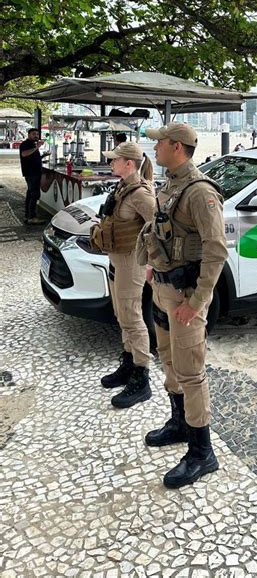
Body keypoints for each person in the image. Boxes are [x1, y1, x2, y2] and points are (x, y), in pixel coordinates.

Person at [136, 122, 227, 489]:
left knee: (191, 372)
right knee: (170, 361)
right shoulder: (170, 183)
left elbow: (216, 250)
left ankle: (202, 452)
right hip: (163, 289)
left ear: (176, 146)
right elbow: (160, 230)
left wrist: (198, 301)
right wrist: (150, 266)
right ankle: (179, 422)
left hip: (185, 296)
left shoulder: (199, 192)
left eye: (159, 143)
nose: (154, 148)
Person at [92, 142, 157, 408]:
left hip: (132, 261)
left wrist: (153, 262)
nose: (111, 163)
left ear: (129, 163)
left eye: (114, 160)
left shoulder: (140, 193)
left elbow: (159, 226)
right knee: (122, 315)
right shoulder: (123, 186)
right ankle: (128, 363)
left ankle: (141, 376)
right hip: (117, 259)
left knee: (132, 317)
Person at [19, 128, 49, 224]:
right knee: (35, 194)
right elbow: (24, 154)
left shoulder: (33, 145)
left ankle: (28, 216)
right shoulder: (25, 144)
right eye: (33, 134)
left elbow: (32, 157)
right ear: (28, 135)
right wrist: (37, 147)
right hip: (31, 173)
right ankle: (32, 217)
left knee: (30, 194)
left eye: (37, 134)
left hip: (34, 172)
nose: (36, 136)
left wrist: (43, 156)